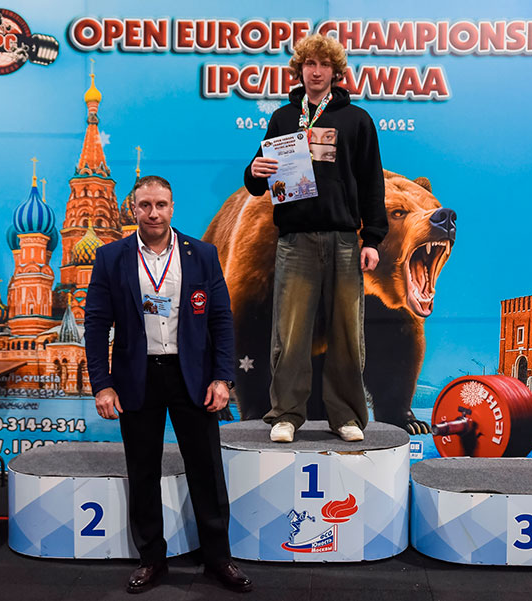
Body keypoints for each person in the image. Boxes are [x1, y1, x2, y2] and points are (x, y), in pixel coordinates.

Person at [84, 175, 251, 594]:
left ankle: (218, 558)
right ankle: (151, 560)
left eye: (161, 204)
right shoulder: (111, 257)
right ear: (133, 209)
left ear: (172, 207)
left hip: (192, 377)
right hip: (136, 378)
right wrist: (102, 385)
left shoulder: (202, 254)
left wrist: (222, 377)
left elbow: (221, 320)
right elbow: (96, 324)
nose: (153, 213)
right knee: (143, 471)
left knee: (207, 470)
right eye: (145, 205)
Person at [243, 34, 388, 443]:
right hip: (295, 241)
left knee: (347, 331)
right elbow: (257, 180)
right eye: (310, 64)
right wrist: (254, 171)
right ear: (300, 70)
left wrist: (372, 239)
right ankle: (286, 414)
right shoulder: (283, 118)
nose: (317, 71)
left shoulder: (357, 120)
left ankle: (346, 416)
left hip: (344, 241)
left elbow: (372, 182)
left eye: (324, 64)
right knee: (290, 332)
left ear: (335, 72)